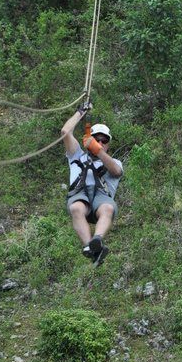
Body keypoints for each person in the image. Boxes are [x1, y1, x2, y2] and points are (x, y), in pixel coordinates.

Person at [61, 106, 123, 267]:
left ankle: (97, 239)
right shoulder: (77, 154)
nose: (101, 143)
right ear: (90, 139)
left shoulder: (114, 163)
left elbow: (116, 172)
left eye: (104, 141)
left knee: (108, 209)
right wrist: (79, 113)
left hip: (101, 198)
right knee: (76, 208)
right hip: (79, 194)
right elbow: (65, 132)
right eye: (97, 140)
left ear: (109, 144)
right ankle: (91, 246)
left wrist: (98, 151)